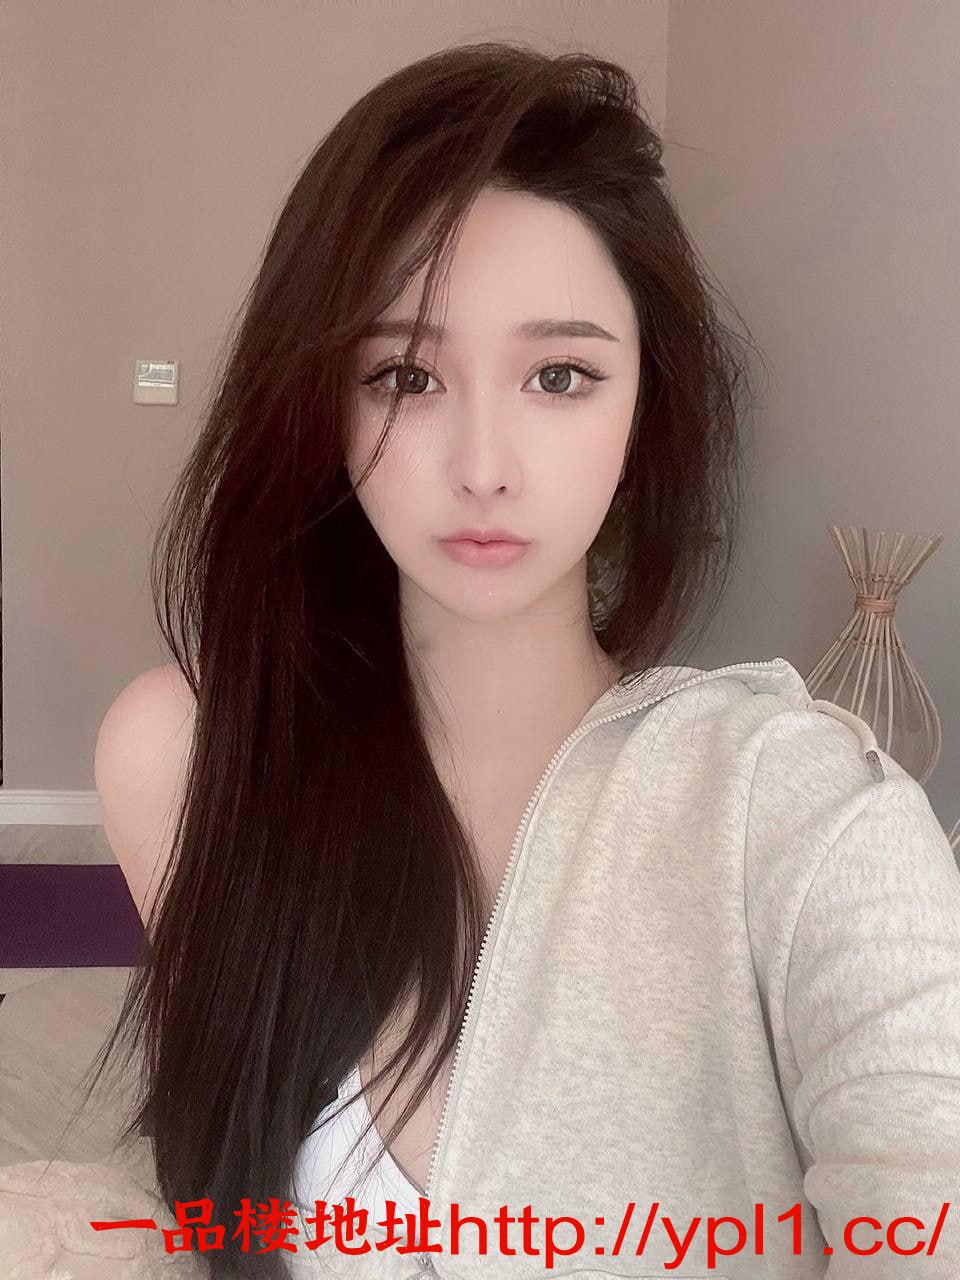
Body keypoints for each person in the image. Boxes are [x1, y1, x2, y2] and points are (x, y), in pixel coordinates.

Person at [90, 42, 960, 1280]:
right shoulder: (184, 757)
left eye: (561, 375)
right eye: (405, 374)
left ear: (643, 408)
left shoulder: (800, 811)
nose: (484, 465)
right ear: (320, 403)